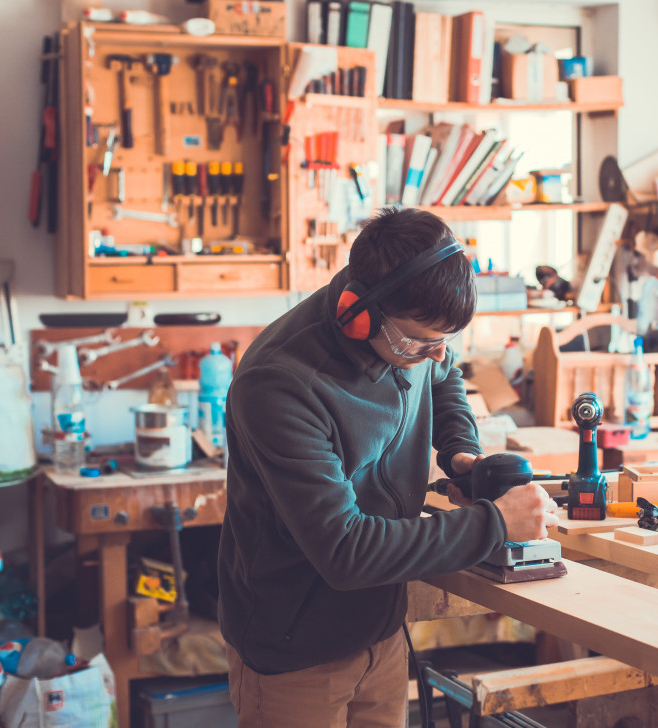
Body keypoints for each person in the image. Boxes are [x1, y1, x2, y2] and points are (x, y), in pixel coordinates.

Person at [218, 207, 559, 728]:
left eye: (443, 341)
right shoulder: (279, 385)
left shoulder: (413, 329)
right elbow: (346, 551)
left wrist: (459, 450)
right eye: (419, 343)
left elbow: (444, 377)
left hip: (382, 631)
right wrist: (494, 524)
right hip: (296, 653)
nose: (434, 354)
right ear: (359, 313)